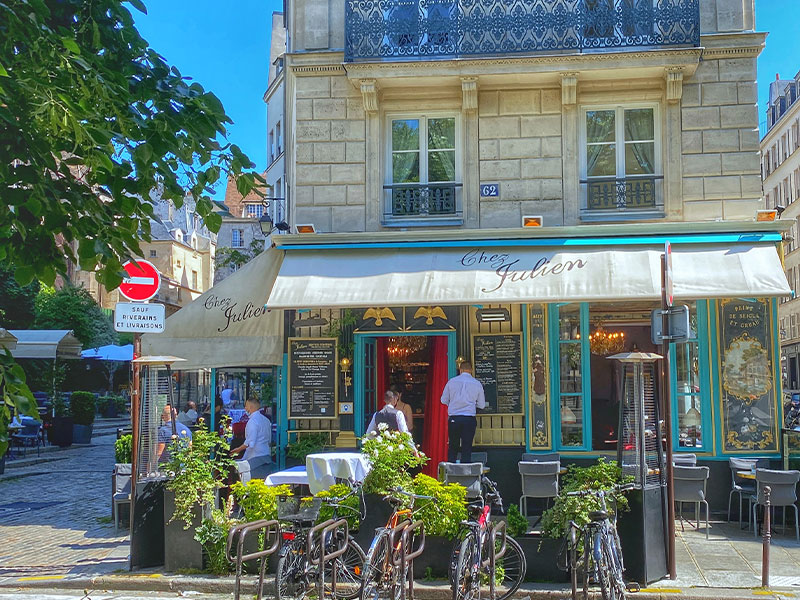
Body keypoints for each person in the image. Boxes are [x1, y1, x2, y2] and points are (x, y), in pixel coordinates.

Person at [440, 361, 485, 463]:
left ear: (460, 370)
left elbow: (443, 400)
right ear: (471, 370)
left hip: (454, 418)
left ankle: (451, 468)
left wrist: (453, 403)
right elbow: (481, 405)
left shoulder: (451, 382)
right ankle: (465, 469)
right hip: (469, 418)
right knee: (467, 446)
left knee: (453, 446)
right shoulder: (477, 384)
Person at [231, 398, 273, 478]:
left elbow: (250, 443)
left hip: (255, 458)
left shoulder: (252, 421)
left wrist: (238, 450)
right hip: (266, 455)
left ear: (250, 407)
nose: (245, 408)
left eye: (246, 406)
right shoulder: (266, 420)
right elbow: (269, 440)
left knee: (251, 482)